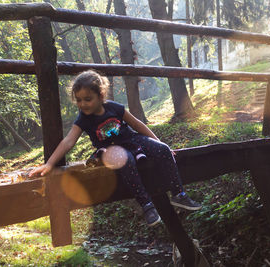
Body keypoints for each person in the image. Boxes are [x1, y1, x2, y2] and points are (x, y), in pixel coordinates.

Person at [29, 70, 201, 226]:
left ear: (101, 95)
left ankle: (179, 195)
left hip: (132, 140)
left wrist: (159, 142)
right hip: (110, 150)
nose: (82, 104)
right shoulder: (83, 119)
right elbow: (68, 141)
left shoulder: (114, 108)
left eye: (88, 99)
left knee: (162, 149)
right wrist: (50, 164)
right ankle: (147, 206)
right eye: (79, 100)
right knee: (125, 160)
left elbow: (137, 124)